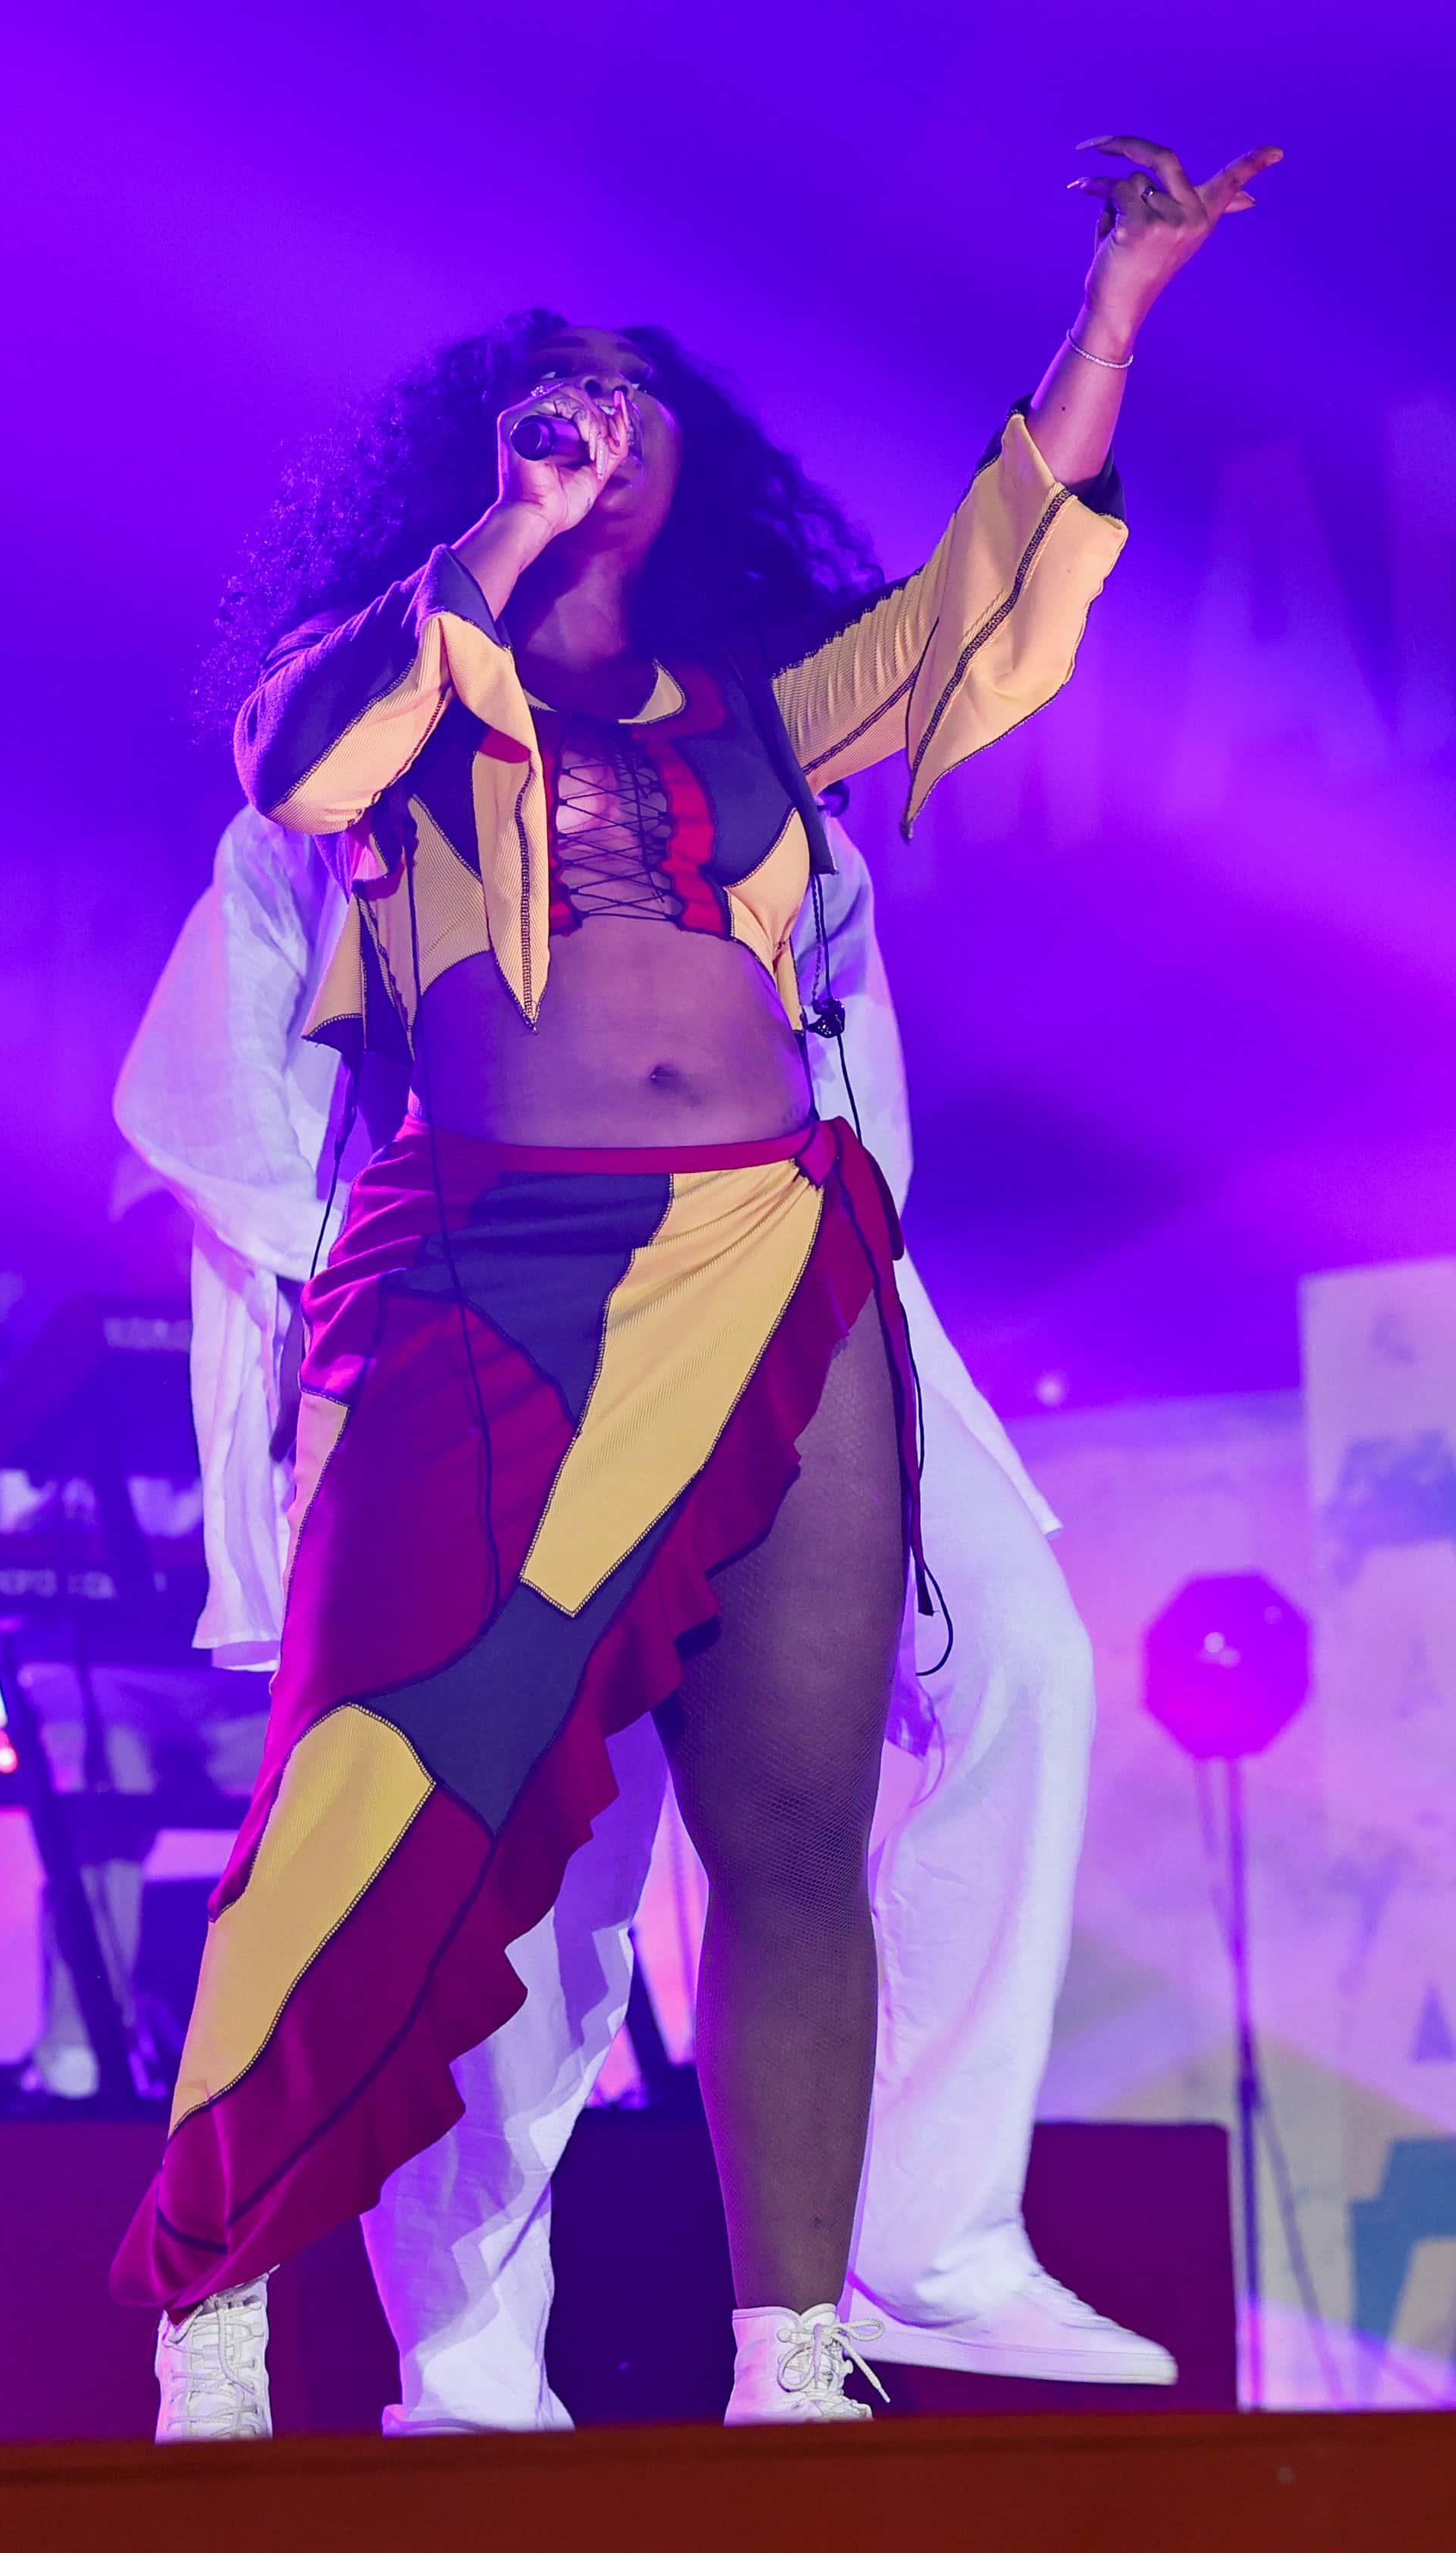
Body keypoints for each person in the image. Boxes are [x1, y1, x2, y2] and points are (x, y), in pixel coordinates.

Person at [113, 131, 1279, 2426]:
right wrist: (504, 531)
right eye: (558, 393)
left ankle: (795, 2343)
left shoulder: (751, 709)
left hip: (771, 1249)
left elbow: (982, 601)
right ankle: (215, 2274)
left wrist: (1117, 308)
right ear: (485, 449)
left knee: (790, 1825)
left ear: (692, 458)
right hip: (485, 1272)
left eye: (636, 394)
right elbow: (298, 766)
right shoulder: (399, 684)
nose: (603, 419)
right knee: (378, 1795)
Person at [115, 801, 1176, 2436]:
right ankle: (469, 2379)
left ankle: (926, 2238)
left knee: (1019, 1663)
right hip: (486, 1290)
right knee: (517, 1867)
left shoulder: (780, 791)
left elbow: (857, 1085)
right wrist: (341, 1304)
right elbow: (209, 1098)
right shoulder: (355, 784)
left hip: (792, 1267)